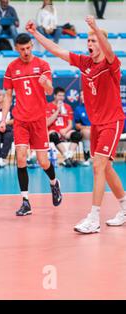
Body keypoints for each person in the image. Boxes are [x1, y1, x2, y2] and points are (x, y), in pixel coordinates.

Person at [27, 17, 126, 233]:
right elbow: (56, 49)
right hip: (97, 123)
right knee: (106, 167)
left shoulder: (111, 63)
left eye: (93, 41)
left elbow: (108, 48)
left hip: (112, 121)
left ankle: (94, 218)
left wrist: (96, 29)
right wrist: (36, 34)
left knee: (98, 166)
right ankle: (125, 207)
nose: (90, 44)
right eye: (88, 41)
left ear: (101, 41)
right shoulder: (84, 62)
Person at [0, 33, 62, 216]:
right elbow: (8, 95)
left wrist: (46, 84)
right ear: (17, 49)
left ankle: (54, 183)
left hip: (39, 120)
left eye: (28, 48)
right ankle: (25, 202)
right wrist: (3, 119)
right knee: (20, 158)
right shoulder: (11, 68)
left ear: (32, 45)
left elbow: (50, 91)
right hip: (21, 120)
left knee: (43, 161)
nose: (25, 52)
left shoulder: (42, 65)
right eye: (22, 49)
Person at [46, 87, 81, 167]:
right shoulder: (48, 106)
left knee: (77, 135)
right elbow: (47, 123)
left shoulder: (67, 107)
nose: (61, 98)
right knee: (53, 135)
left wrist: (65, 130)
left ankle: (69, 156)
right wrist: (58, 110)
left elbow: (70, 124)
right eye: (59, 95)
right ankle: (67, 156)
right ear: (54, 96)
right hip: (53, 130)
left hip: (65, 131)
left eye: (63, 96)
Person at [73, 91, 91, 166]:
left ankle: (105, 158)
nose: (82, 96)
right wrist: (86, 127)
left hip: (96, 128)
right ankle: (87, 157)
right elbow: (77, 125)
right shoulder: (78, 109)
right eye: (81, 95)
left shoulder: (96, 106)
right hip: (84, 130)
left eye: (84, 94)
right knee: (86, 132)